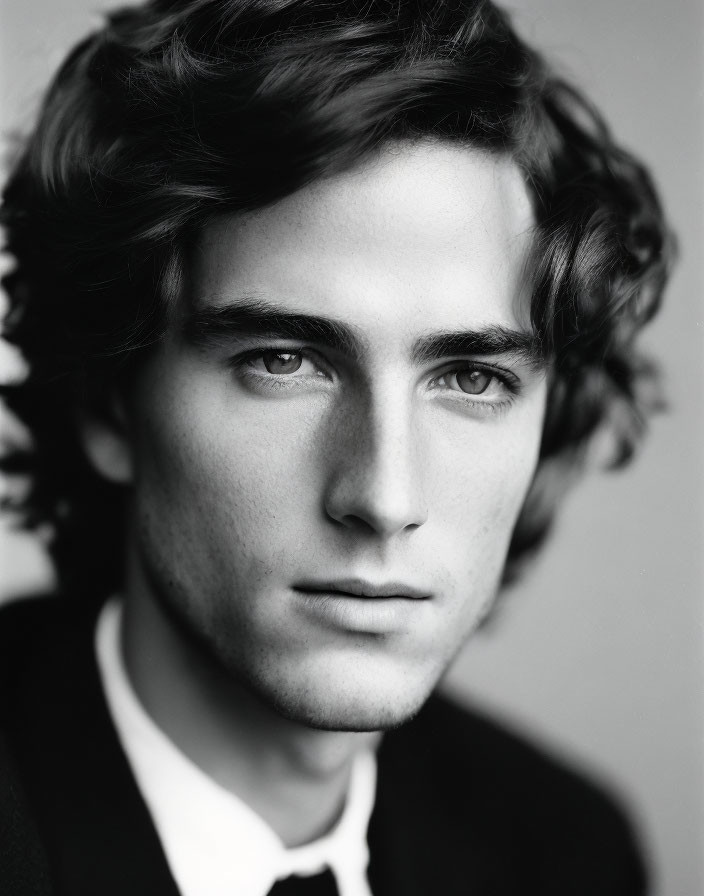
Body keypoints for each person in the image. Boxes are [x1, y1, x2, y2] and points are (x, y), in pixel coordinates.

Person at [0, 0, 673, 894]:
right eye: (284, 361)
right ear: (108, 403)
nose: (385, 495)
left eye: (471, 378)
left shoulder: (562, 851)